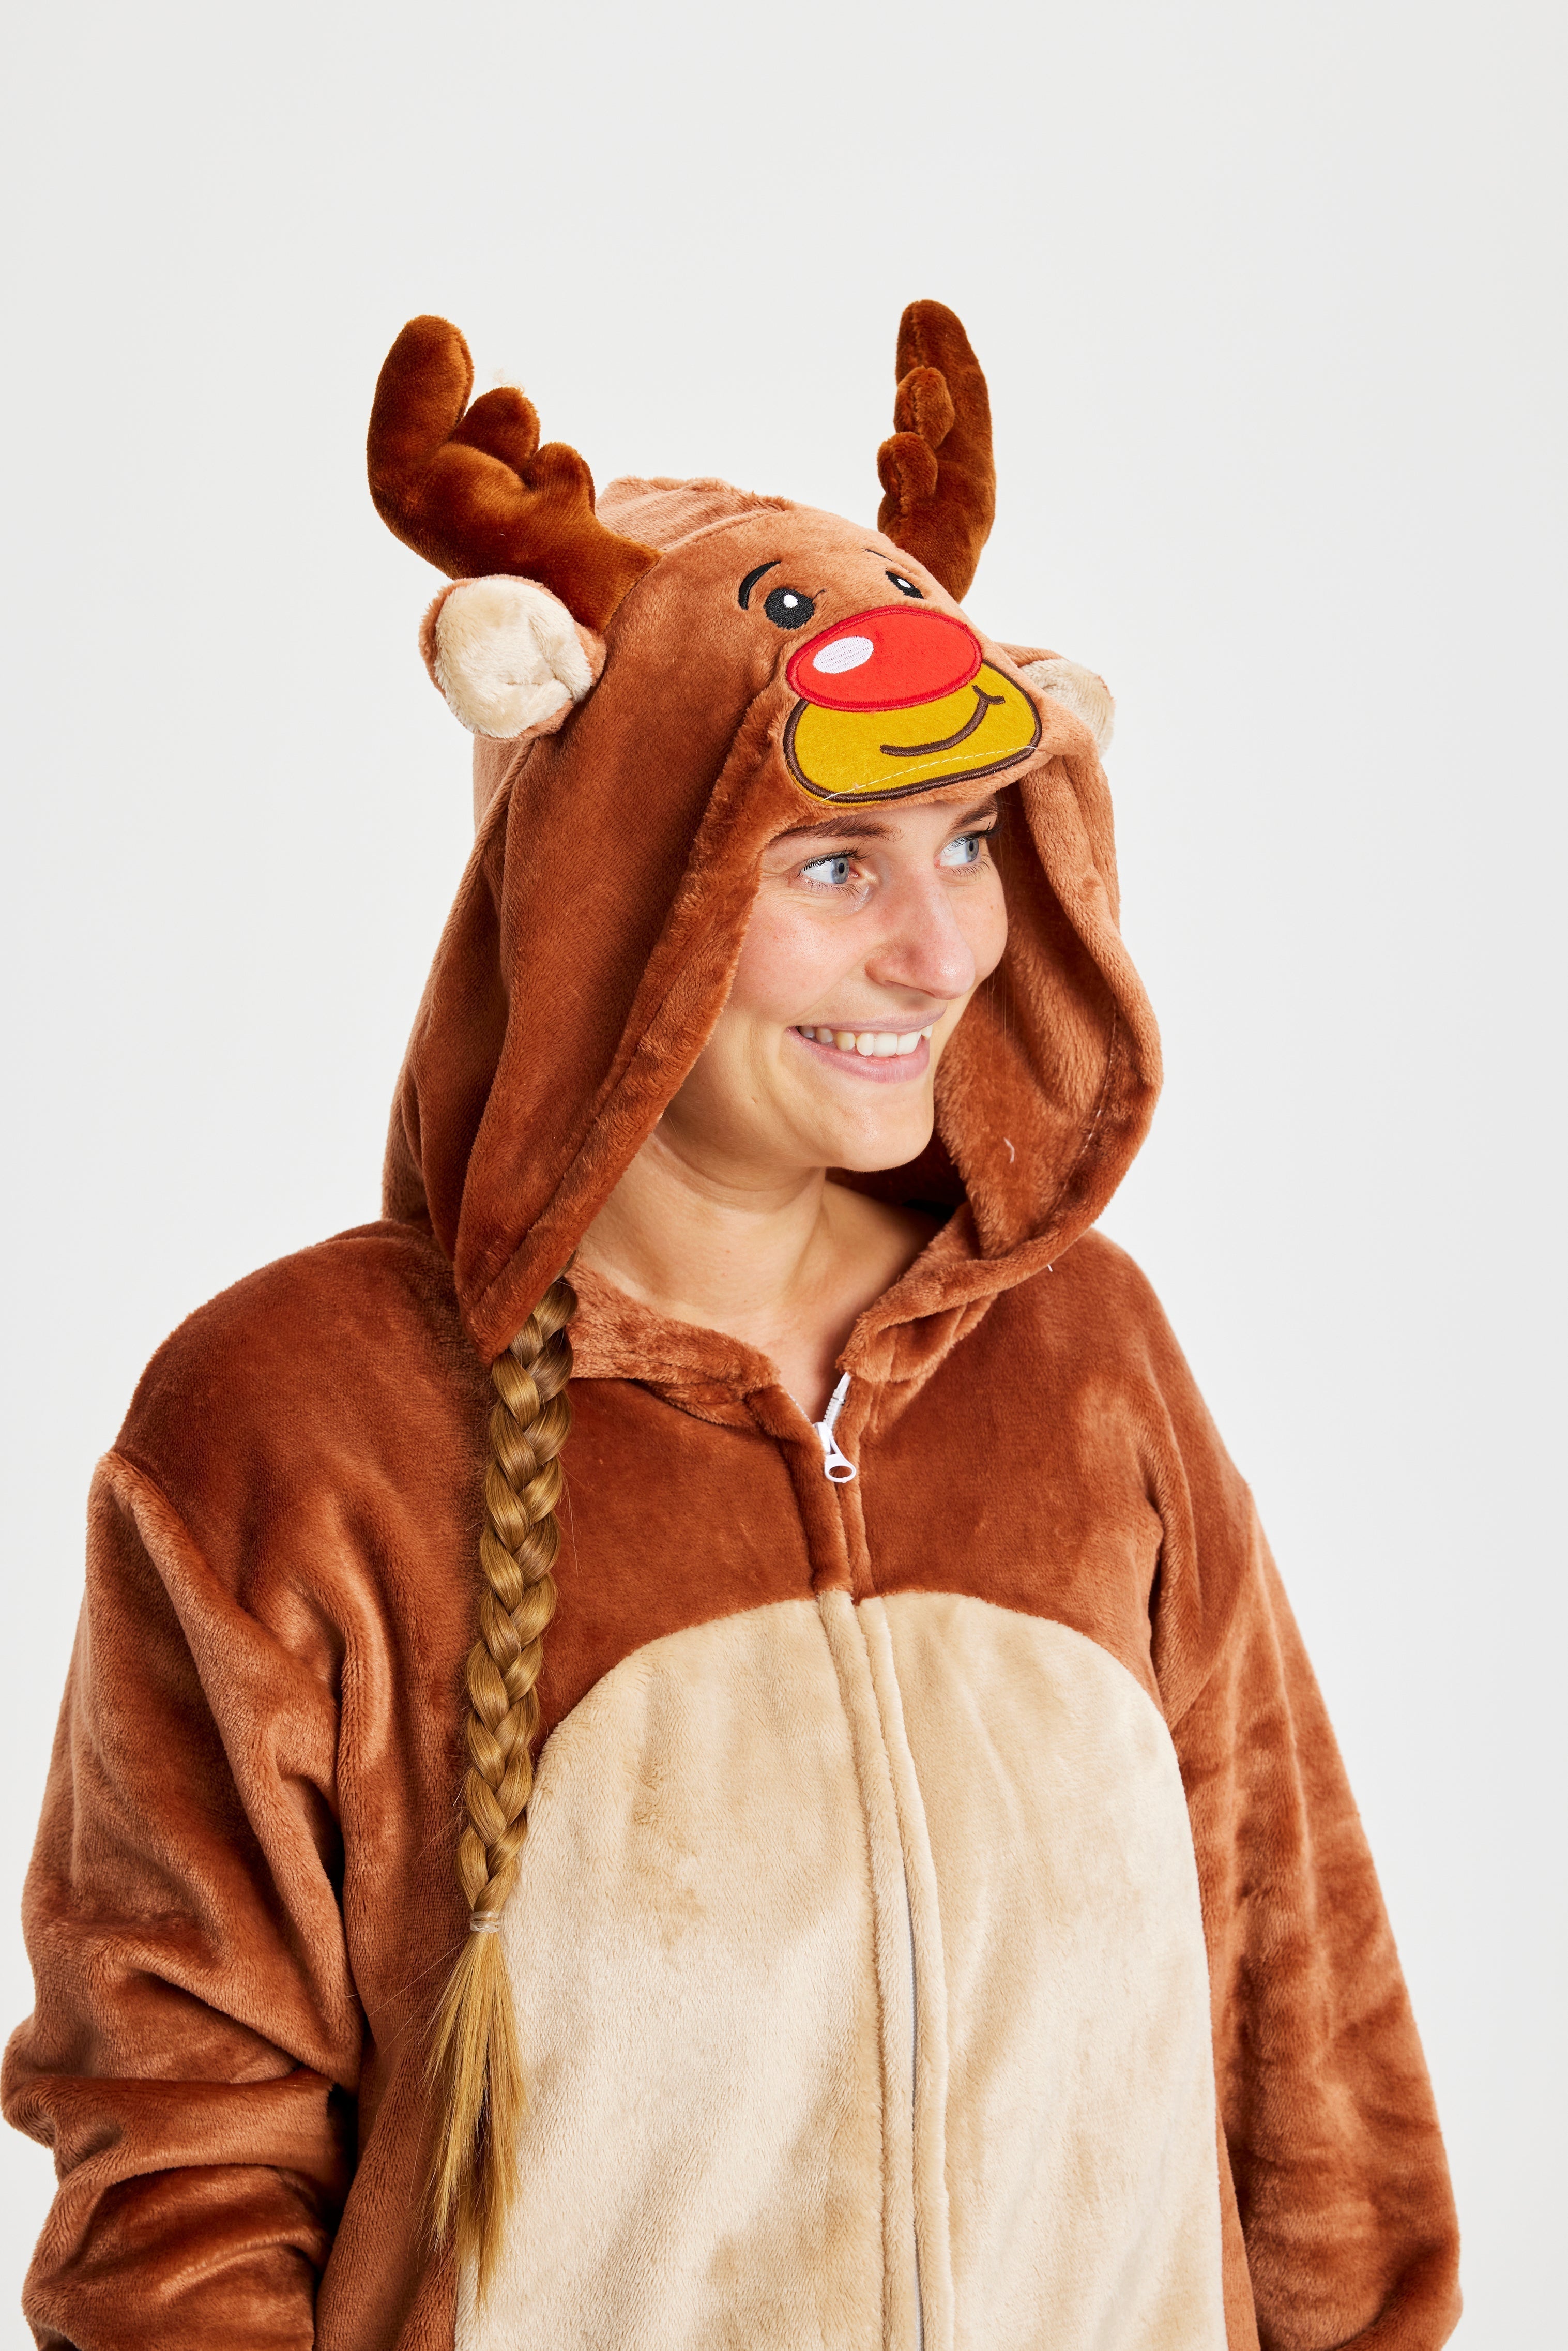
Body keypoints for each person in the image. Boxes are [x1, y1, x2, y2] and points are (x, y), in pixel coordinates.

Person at [3, 302, 1459, 2351]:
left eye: (970, 844)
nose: (941, 947)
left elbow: (1305, 2051)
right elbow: (179, 2176)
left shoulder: (1086, 1359)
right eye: (836, 864)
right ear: (619, 898)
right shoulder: (294, 1429)